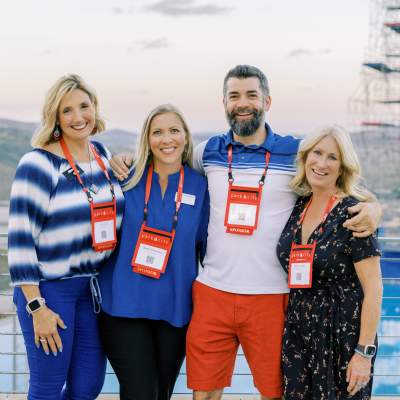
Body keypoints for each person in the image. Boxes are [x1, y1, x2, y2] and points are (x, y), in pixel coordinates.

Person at [109, 65, 381, 400]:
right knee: (205, 391)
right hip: (212, 293)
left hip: (271, 295)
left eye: (251, 95)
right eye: (234, 96)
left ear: (267, 100)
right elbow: (163, 159)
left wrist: (372, 208)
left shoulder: (295, 152)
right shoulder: (206, 152)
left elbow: (335, 177)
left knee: (273, 391)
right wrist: (122, 159)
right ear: (223, 103)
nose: (243, 103)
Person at [8, 74, 125, 399]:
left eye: (84, 106)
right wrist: (36, 307)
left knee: (88, 386)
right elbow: (19, 241)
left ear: (94, 107)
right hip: (50, 291)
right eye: (67, 110)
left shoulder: (101, 154)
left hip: (92, 291)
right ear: (55, 118)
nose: (78, 117)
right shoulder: (38, 164)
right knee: (48, 387)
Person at [98, 104, 210, 400]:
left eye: (174, 130)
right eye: (157, 132)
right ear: (147, 139)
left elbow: (207, 249)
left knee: (161, 394)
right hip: (123, 306)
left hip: (174, 311)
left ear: (186, 137)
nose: (166, 139)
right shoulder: (126, 178)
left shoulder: (202, 187)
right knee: (140, 394)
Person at [276, 125, 382, 400]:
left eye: (332, 157)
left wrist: (364, 352)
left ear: (343, 166)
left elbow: (374, 289)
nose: (322, 163)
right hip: (299, 334)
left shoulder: (354, 213)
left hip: (342, 336)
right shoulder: (298, 205)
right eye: (317, 153)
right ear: (306, 157)